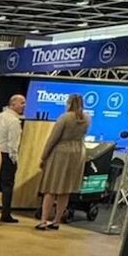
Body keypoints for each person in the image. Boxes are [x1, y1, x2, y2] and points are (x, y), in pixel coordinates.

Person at [38, 93, 90, 231]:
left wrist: (43, 156)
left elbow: (53, 139)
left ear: (68, 103)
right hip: (78, 152)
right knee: (65, 190)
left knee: (51, 187)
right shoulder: (87, 118)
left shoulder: (64, 118)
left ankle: (43, 220)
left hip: (61, 152)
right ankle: (56, 220)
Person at [0, 92, 25, 223]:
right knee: (7, 186)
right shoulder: (14, 121)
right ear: (13, 104)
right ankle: (6, 213)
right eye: (22, 103)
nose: (24, 106)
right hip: (5, 155)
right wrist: (14, 158)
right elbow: (13, 143)